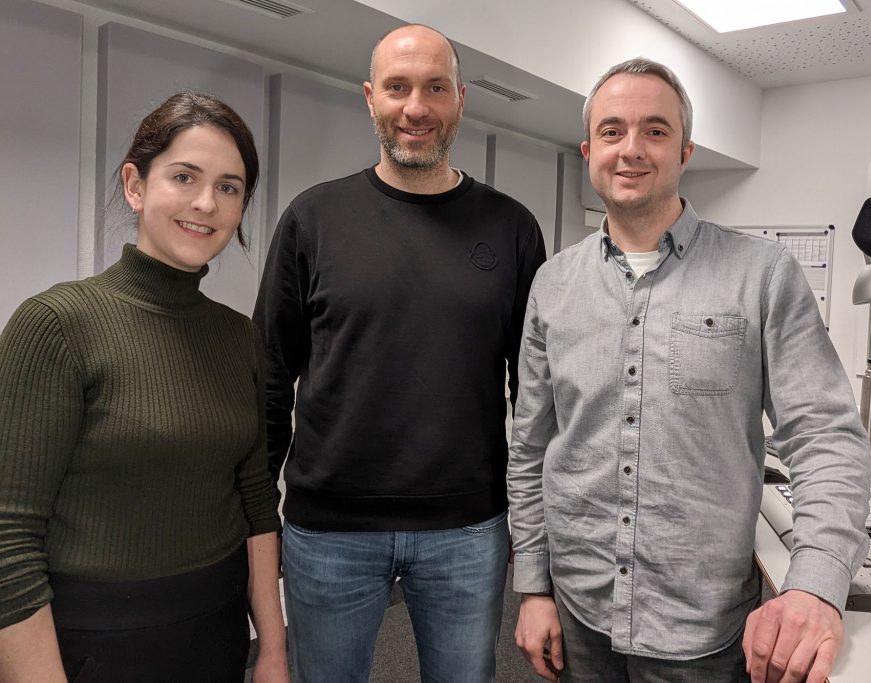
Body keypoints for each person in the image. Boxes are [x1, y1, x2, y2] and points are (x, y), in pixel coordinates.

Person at [508, 58, 871, 683]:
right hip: (579, 611)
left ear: (685, 150)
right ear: (589, 149)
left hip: (701, 629)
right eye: (614, 131)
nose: (632, 149)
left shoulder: (761, 273)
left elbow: (824, 435)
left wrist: (815, 585)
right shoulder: (552, 283)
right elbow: (532, 446)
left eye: (655, 130)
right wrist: (534, 586)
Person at [253, 24, 546, 683]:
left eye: (435, 87)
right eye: (398, 87)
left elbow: (534, 398)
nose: (416, 107)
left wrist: (533, 539)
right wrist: (253, 517)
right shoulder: (313, 219)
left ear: (461, 99)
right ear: (370, 98)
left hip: (468, 529)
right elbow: (270, 376)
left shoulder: (512, 227)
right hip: (328, 531)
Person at [0, 92, 288, 682]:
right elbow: (8, 536)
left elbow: (256, 499)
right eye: (184, 176)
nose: (206, 203)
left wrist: (274, 652)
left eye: (230, 187)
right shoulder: (56, 325)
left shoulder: (238, 337)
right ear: (135, 185)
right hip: (92, 643)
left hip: (217, 630)